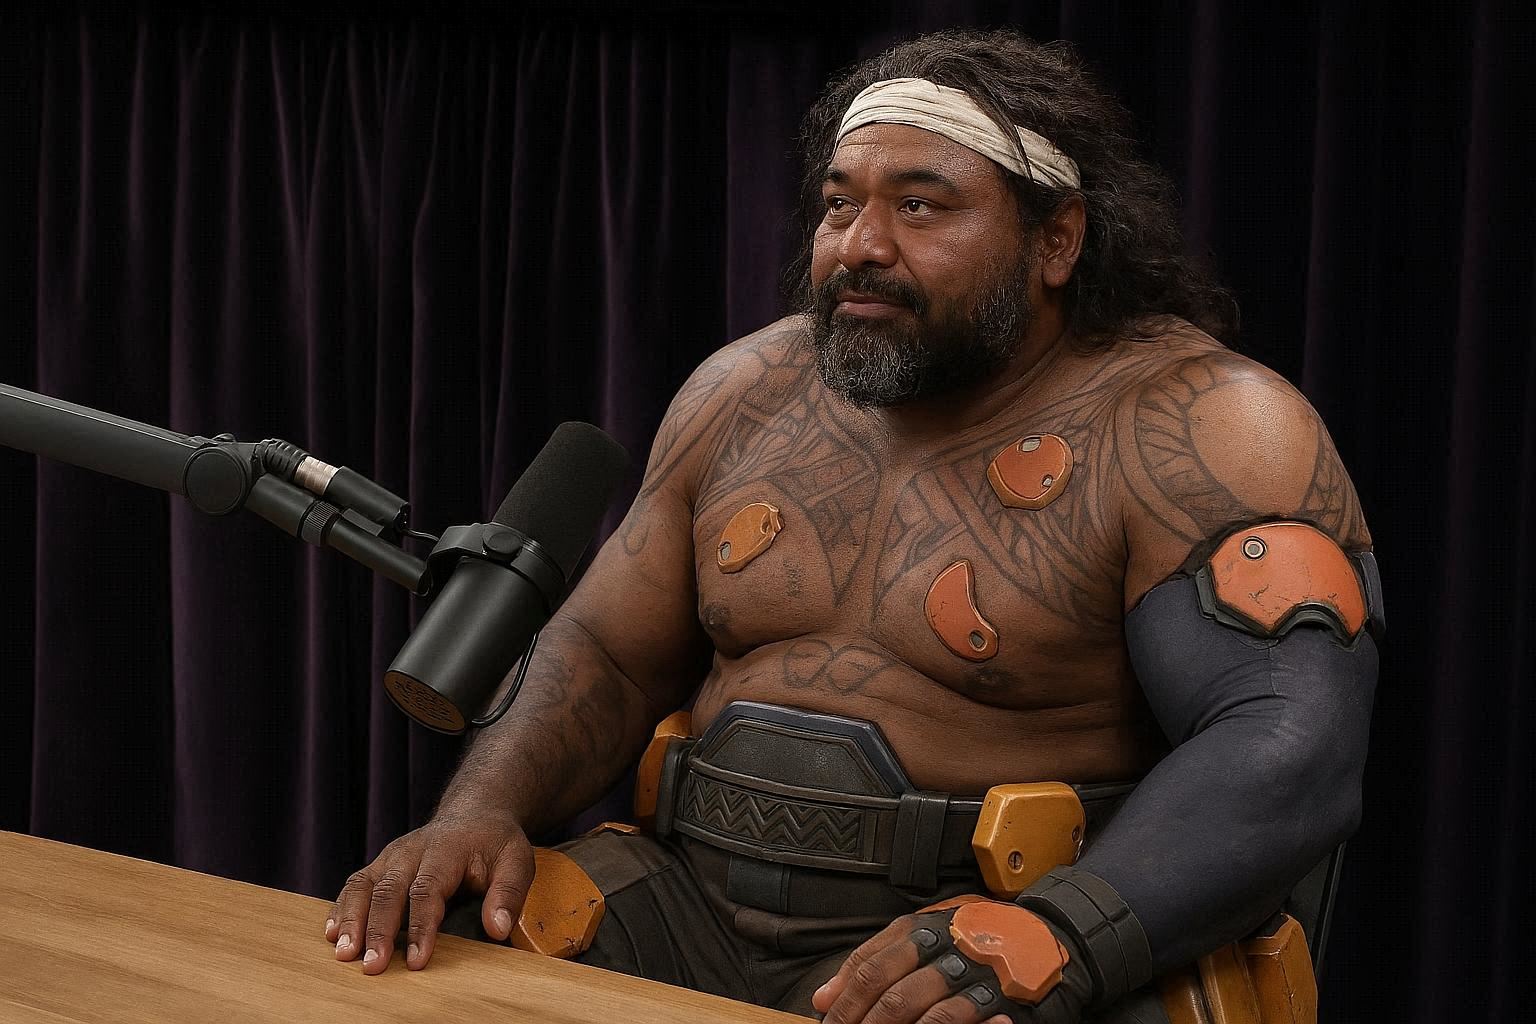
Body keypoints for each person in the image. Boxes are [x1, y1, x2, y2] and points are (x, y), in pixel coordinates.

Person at [325, 28, 1380, 1024]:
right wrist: (479, 810)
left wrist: (1059, 935)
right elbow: (604, 649)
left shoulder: (1202, 425)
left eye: (920, 206)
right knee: (420, 965)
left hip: (975, 924)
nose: (861, 246)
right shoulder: (745, 389)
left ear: (1057, 239)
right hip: (684, 901)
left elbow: (1287, 743)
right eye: (840, 205)